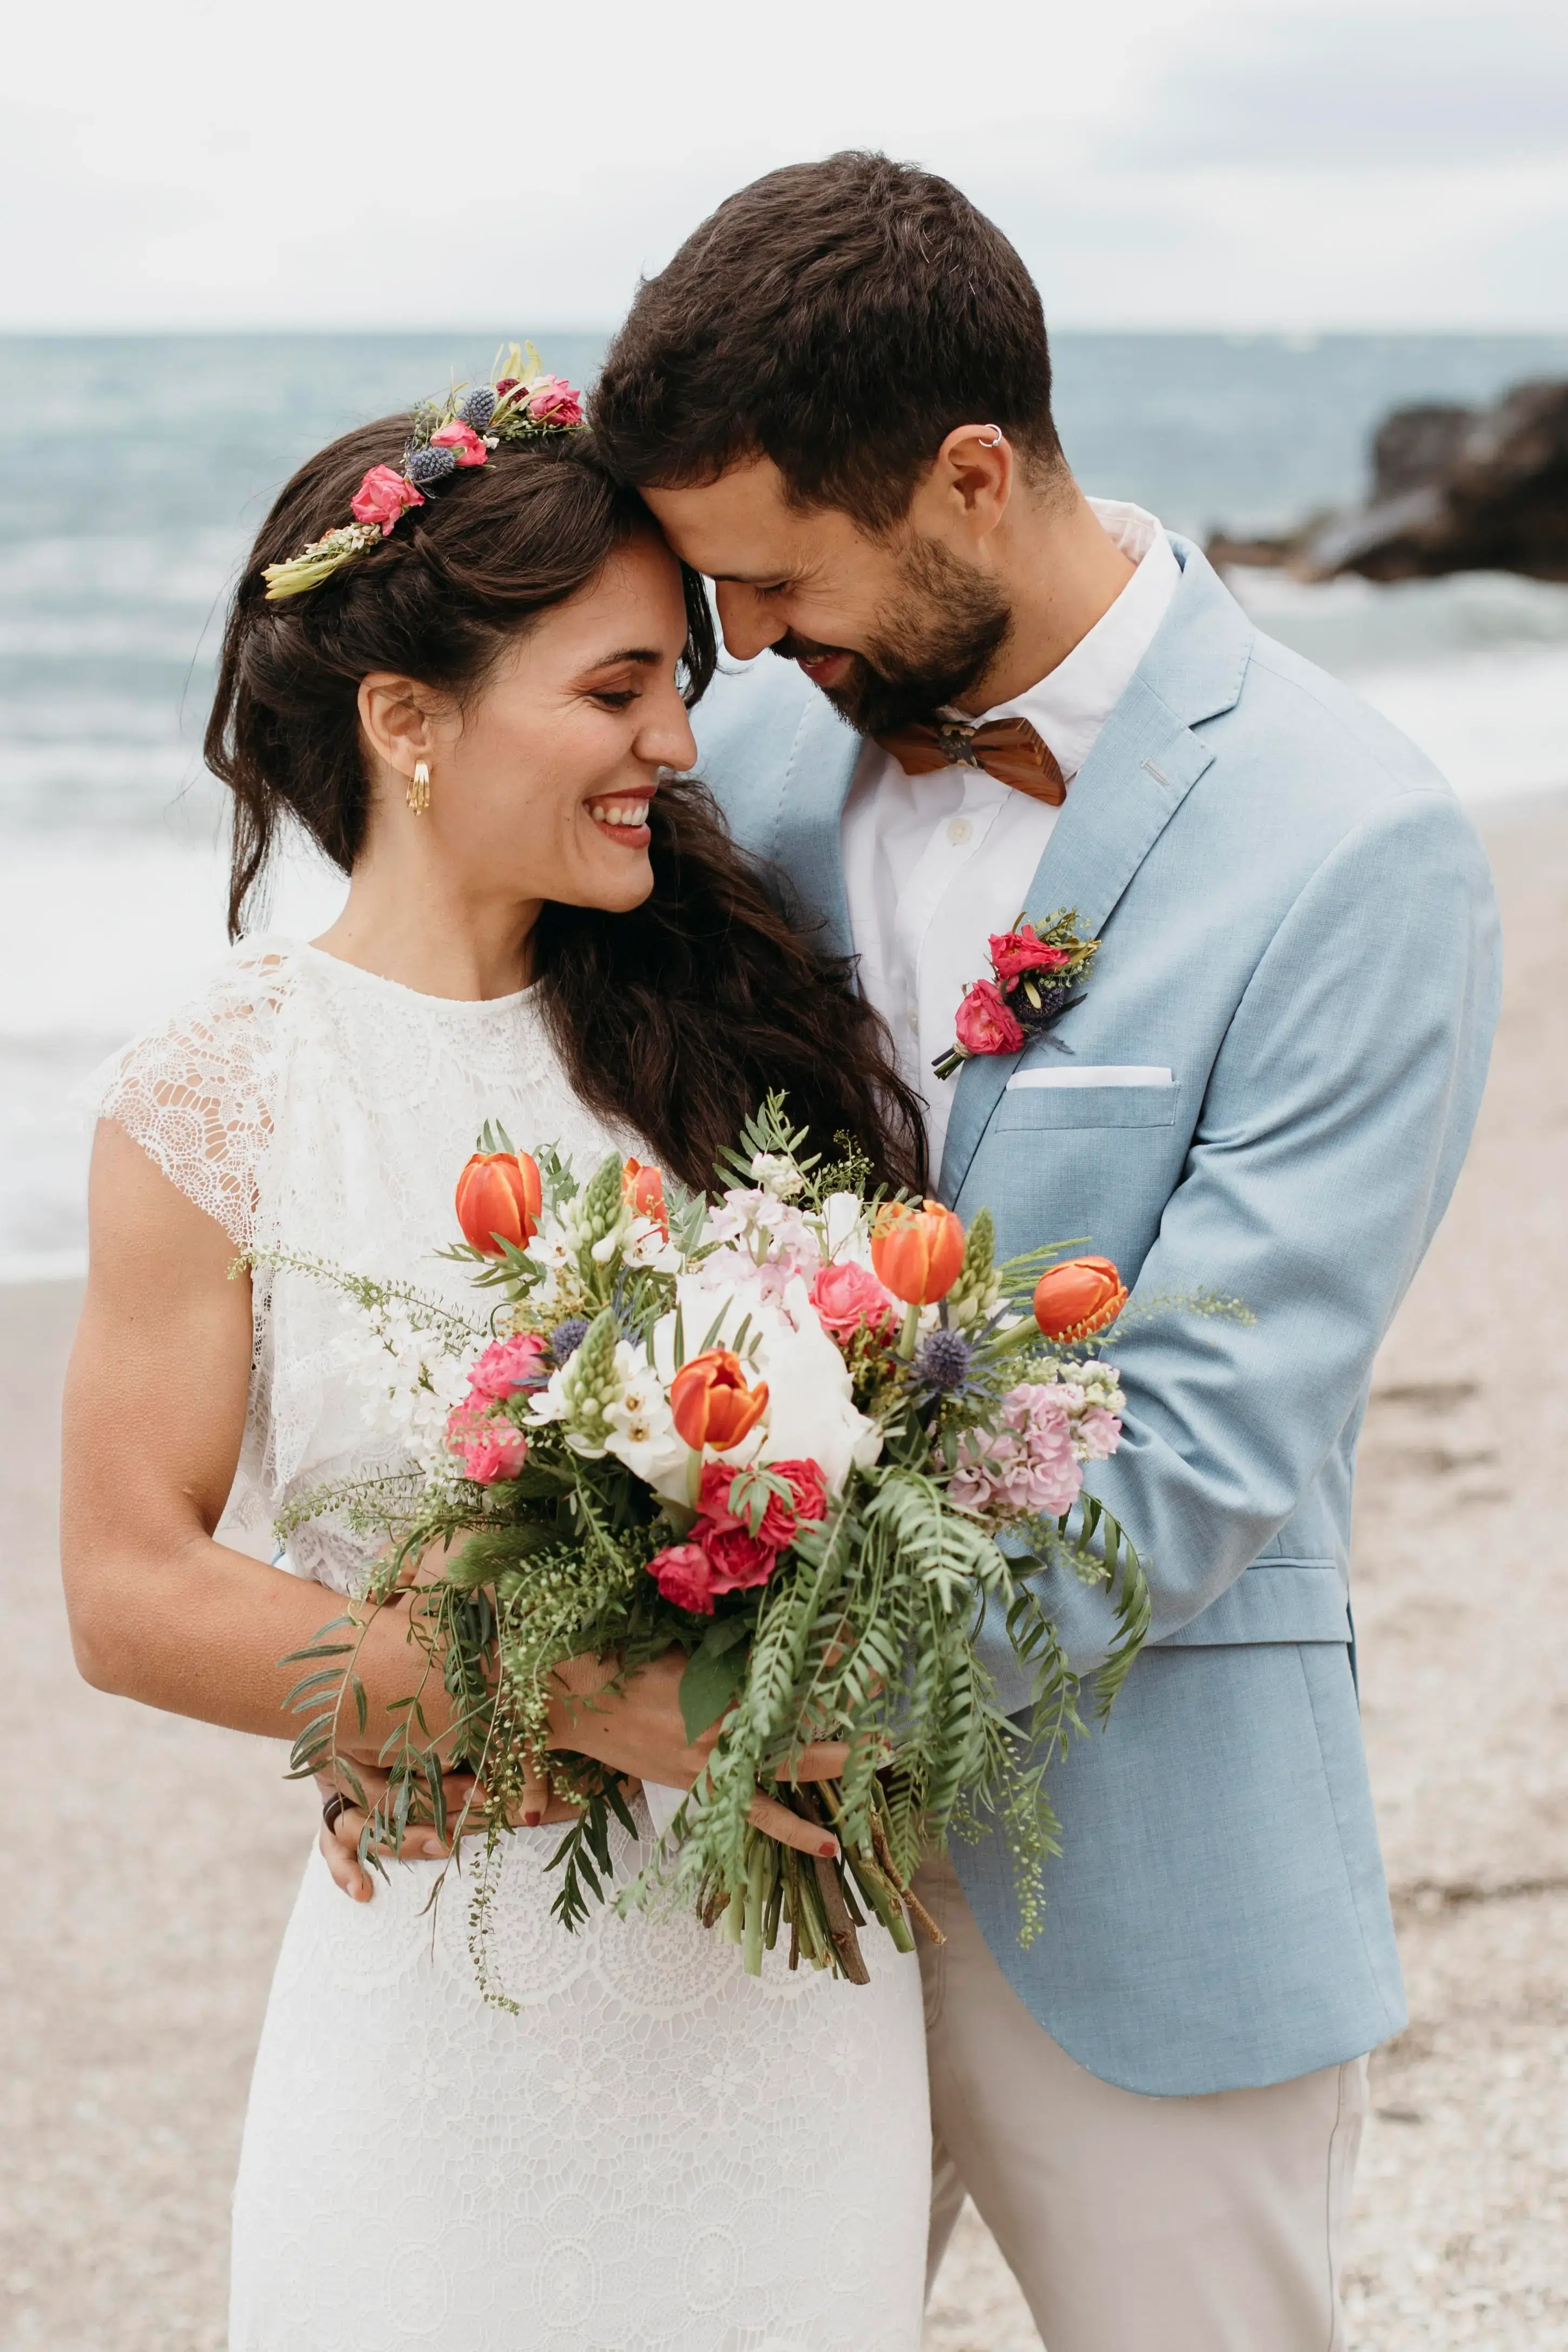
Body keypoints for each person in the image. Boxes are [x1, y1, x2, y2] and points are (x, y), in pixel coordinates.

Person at [582, 154, 1504, 2350]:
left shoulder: (1348, 845)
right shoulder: (759, 779)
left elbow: (1204, 1430)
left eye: (780, 585)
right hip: (746, 1894)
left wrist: (782, 1720)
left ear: (967, 479)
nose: (752, 659)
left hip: (1145, 1857)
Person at [60, 393, 933, 2352]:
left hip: (779, 2012)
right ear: (407, 719)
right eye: (618, 686)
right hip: (453, 1994)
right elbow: (129, 1590)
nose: (679, 746)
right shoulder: (219, 1089)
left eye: (685, 685)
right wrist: (564, 1689)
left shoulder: (732, 1036)